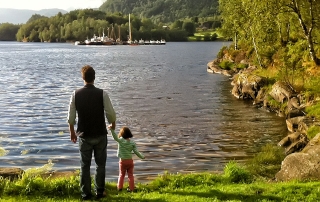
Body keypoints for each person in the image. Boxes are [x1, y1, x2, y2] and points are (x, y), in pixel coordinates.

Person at [67, 65, 116, 200]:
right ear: (94, 78)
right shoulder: (102, 93)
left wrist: (72, 132)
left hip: (84, 135)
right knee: (100, 164)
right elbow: (110, 114)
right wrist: (112, 123)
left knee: (85, 165)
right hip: (100, 134)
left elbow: (71, 117)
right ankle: (99, 191)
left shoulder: (75, 94)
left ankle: (86, 194)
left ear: (83, 78)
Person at [108, 126, 145, 192]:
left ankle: (119, 188)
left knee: (121, 175)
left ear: (122, 133)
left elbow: (115, 137)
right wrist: (142, 156)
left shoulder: (121, 140)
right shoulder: (132, 142)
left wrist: (112, 130)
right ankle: (131, 188)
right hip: (130, 161)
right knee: (130, 175)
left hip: (122, 161)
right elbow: (136, 151)